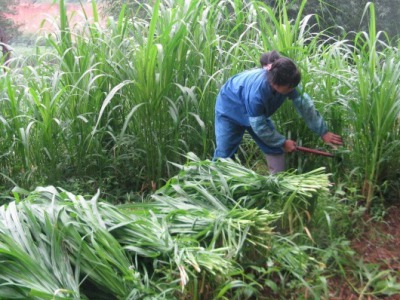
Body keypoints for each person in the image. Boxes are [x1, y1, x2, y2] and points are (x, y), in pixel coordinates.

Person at [213, 50, 342, 174]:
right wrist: (283, 142)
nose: (292, 90)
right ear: (275, 84)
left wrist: (323, 132)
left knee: (273, 147)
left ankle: (277, 184)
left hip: (255, 112)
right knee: (225, 154)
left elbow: (305, 105)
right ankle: (214, 183)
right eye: (289, 88)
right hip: (229, 108)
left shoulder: (287, 80)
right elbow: (260, 127)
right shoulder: (257, 94)